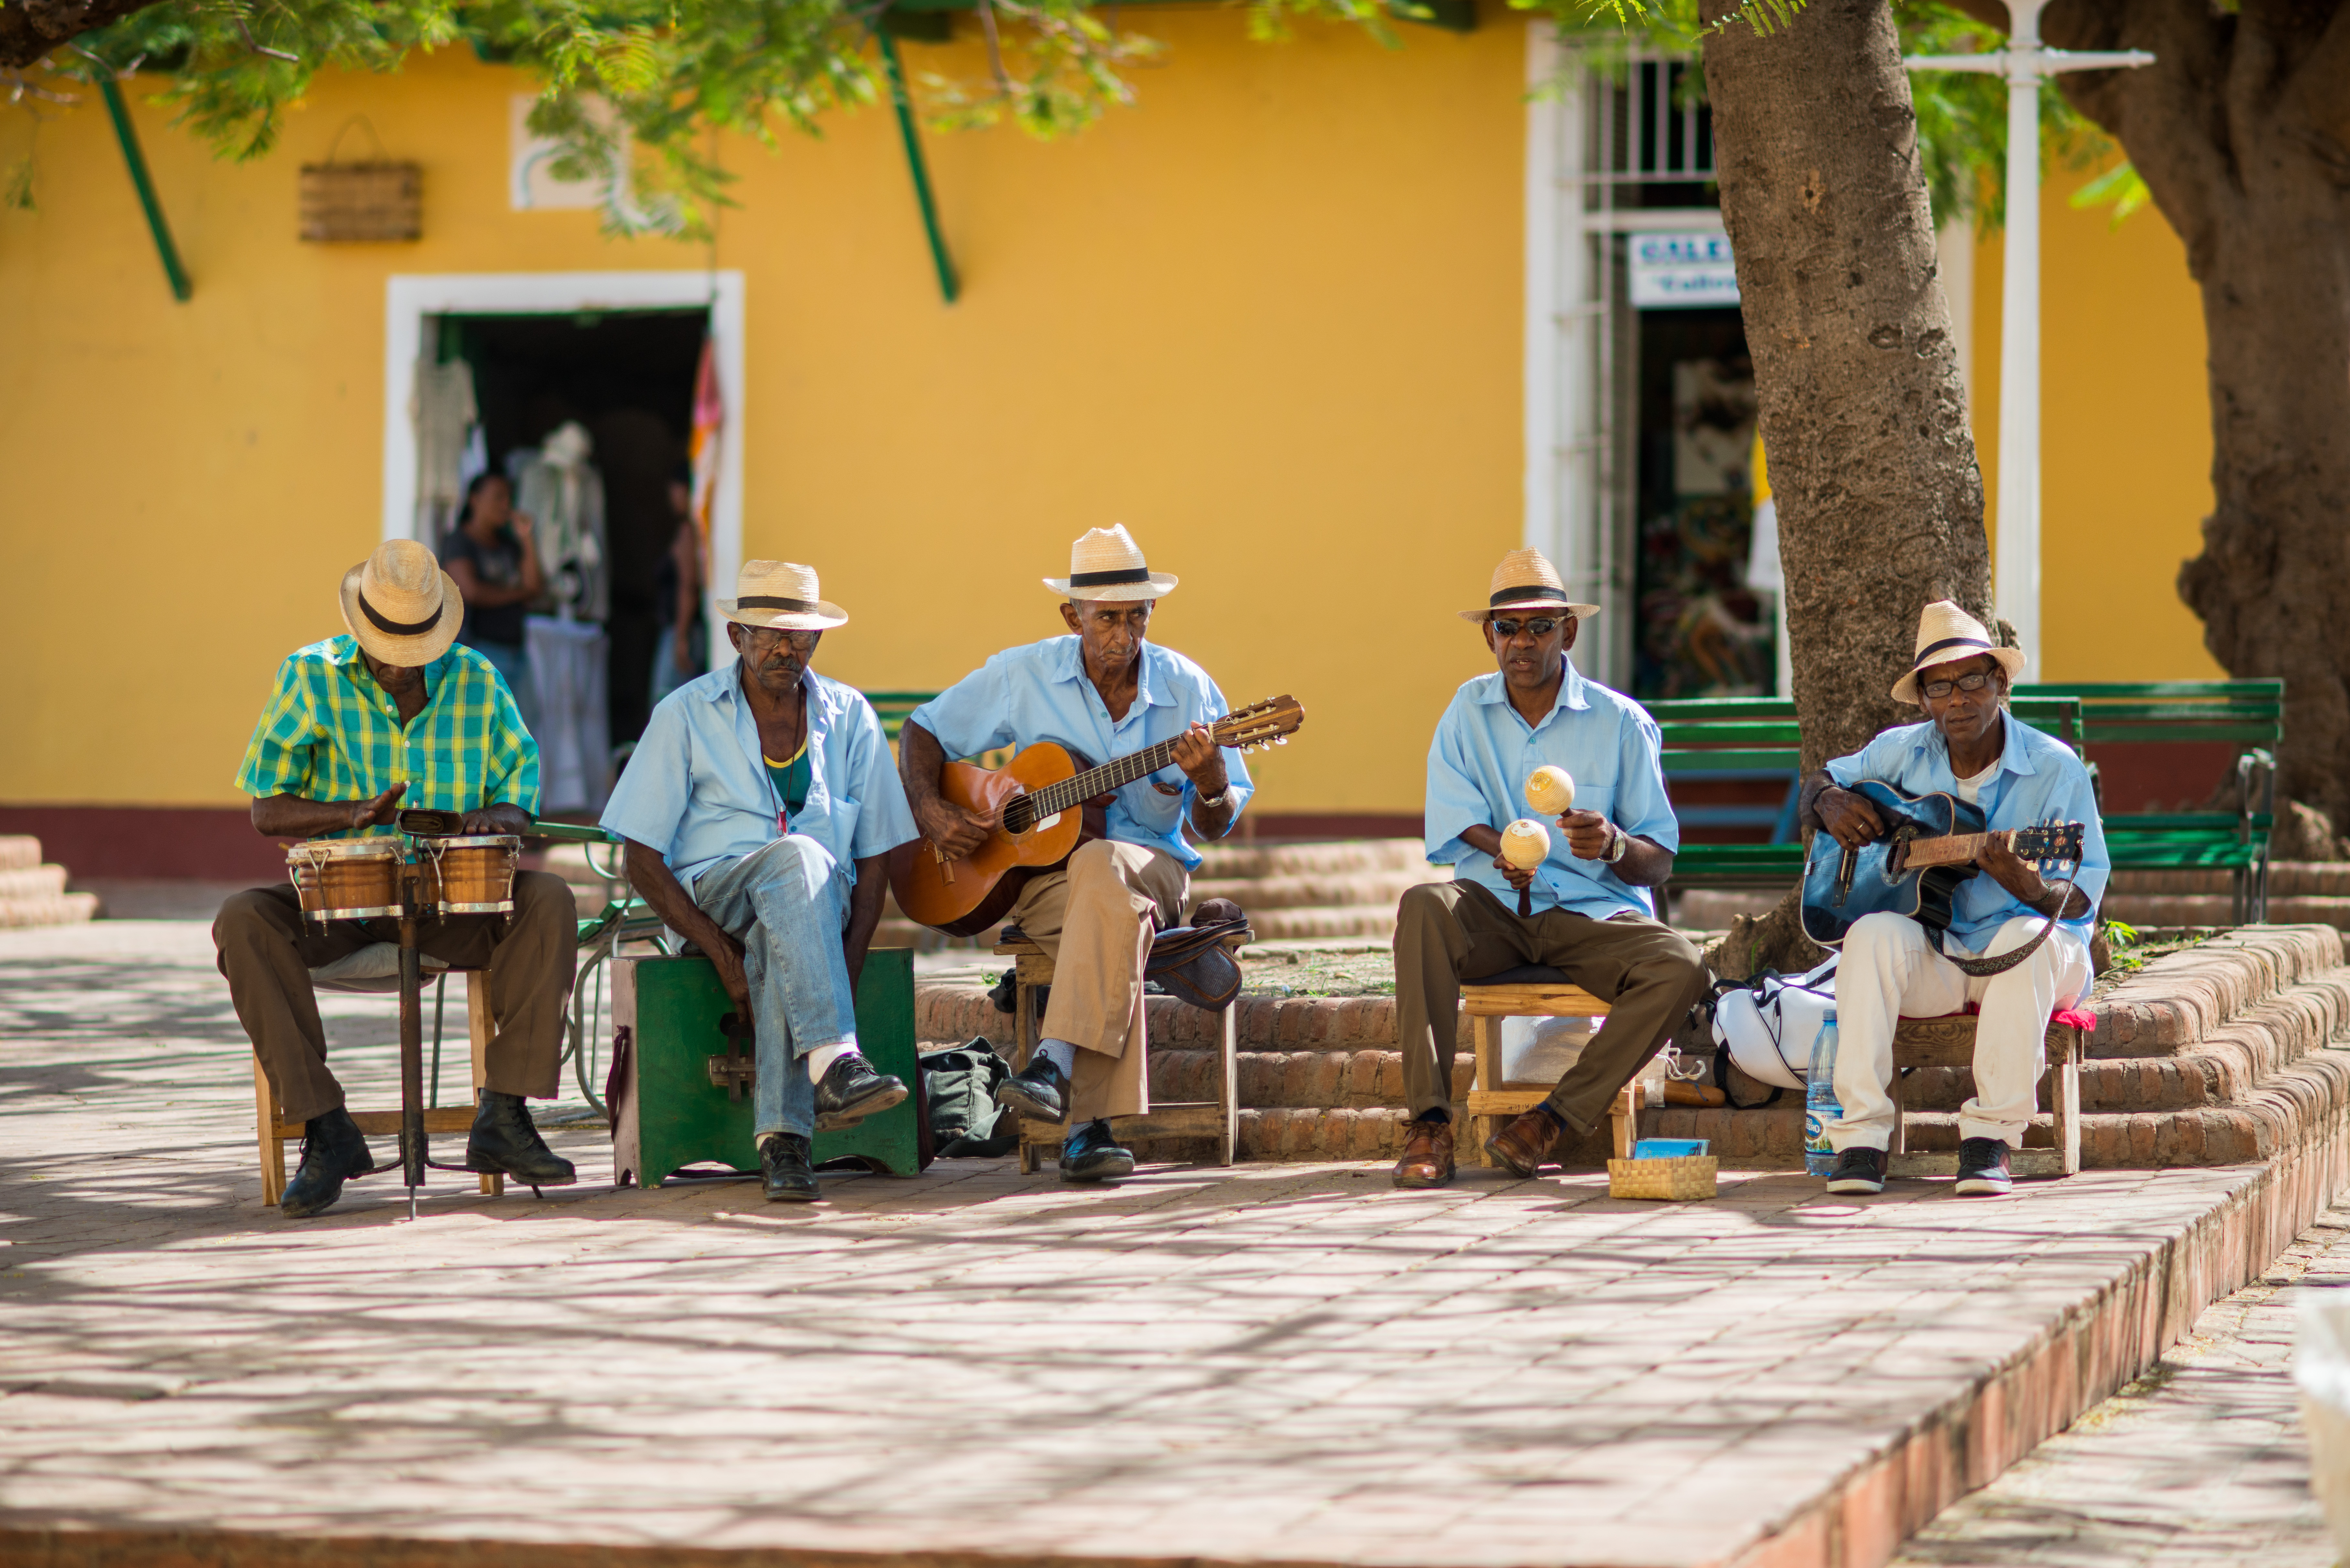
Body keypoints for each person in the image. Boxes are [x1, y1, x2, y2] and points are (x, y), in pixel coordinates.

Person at [214, 539, 581, 1219]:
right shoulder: (308, 675)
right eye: (388, 649)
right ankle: (327, 1129)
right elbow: (267, 809)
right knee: (242, 920)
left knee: (550, 899)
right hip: (340, 905)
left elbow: (520, 789)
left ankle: (504, 1113)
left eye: (417, 651)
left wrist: (491, 819)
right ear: (361, 628)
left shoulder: (477, 680)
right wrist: (351, 814)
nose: (402, 666)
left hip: (454, 903)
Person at [899, 524, 1252, 1183]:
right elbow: (924, 728)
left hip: (1155, 873)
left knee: (1103, 870)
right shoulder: (1024, 673)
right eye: (1107, 619)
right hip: (1040, 884)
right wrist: (932, 810)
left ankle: (1054, 1065)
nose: (1124, 634)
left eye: (1137, 617)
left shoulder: (1190, 689)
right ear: (1073, 616)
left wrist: (1212, 783)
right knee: (1102, 903)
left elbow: (1217, 825)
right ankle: (1088, 1134)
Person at [602, 561, 920, 1203]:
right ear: (735, 636)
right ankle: (835, 1063)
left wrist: (838, 971)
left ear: (818, 642)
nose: (784, 648)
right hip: (716, 898)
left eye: (799, 636)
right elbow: (640, 853)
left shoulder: (852, 717)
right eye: (768, 634)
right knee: (795, 857)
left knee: (795, 896)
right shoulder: (686, 714)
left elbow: (878, 859)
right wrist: (719, 952)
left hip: (813, 908)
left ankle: (784, 1148)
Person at [1391, 548, 1707, 1189]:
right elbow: (1455, 819)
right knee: (1423, 906)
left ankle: (1551, 1120)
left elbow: (1659, 857)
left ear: (1570, 631)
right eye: (1508, 627)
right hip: (1495, 912)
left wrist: (1614, 844)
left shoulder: (1620, 722)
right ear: (1489, 636)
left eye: (1540, 626)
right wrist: (1501, 848)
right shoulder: (1466, 711)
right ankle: (1428, 1124)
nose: (1523, 641)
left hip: (1591, 915)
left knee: (1681, 965)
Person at [1807, 601, 2108, 1197]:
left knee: (2024, 938)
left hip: (2034, 956)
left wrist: (2029, 885)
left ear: (2001, 681)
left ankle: (1988, 1138)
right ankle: (1861, 1139)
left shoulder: (2055, 770)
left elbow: (2079, 901)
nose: (1957, 698)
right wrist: (1827, 803)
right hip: (1941, 954)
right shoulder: (1899, 751)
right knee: (1868, 935)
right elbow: (1822, 778)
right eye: (1939, 686)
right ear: (1923, 699)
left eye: (1972, 679)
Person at [439, 472, 544, 722]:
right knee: (483, 729)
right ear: (475, 500)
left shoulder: (508, 544)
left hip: (517, 652)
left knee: (521, 729)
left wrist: (527, 539)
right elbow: (471, 591)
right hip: (479, 651)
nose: (506, 505)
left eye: (509, 498)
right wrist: (521, 594)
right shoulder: (459, 542)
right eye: (498, 497)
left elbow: (536, 586)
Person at [650, 473, 707, 706]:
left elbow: (688, 585)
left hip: (684, 629)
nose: (673, 498)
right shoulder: (695, 529)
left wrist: (682, 637)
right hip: (686, 629)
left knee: (667, 701)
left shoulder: (688, 531)